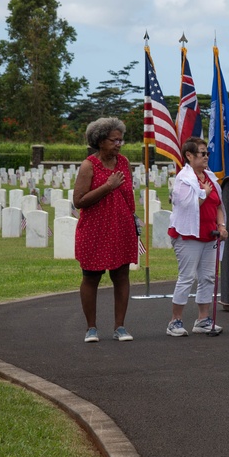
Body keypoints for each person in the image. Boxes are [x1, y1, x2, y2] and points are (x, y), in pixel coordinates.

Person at [73, 117, 138, 343]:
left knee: (121, 275)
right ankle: (91, 328)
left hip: (121, 226)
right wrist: (107, 187)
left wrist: (133, 218)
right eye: (114, 140)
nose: (119, 144)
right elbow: (79, 201)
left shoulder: (124, 163)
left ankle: (120, 326)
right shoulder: (89, 165)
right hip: (95, 229)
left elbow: (128, 194)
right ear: (100, 141)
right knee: (91, 276)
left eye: (121, 140)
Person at [166, 137, 228, 336]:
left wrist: (222, 225)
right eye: (202, 153)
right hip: (188, 234)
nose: (206, 157)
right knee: (186, 277)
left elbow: (218, 204)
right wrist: (202, 194)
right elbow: (185, 207)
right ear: (189, 156)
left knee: (208, 277)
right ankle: (175, 321)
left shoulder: (209, 178)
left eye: (206, 153)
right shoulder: (183, 180)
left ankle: (202, 319)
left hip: (210, 234)